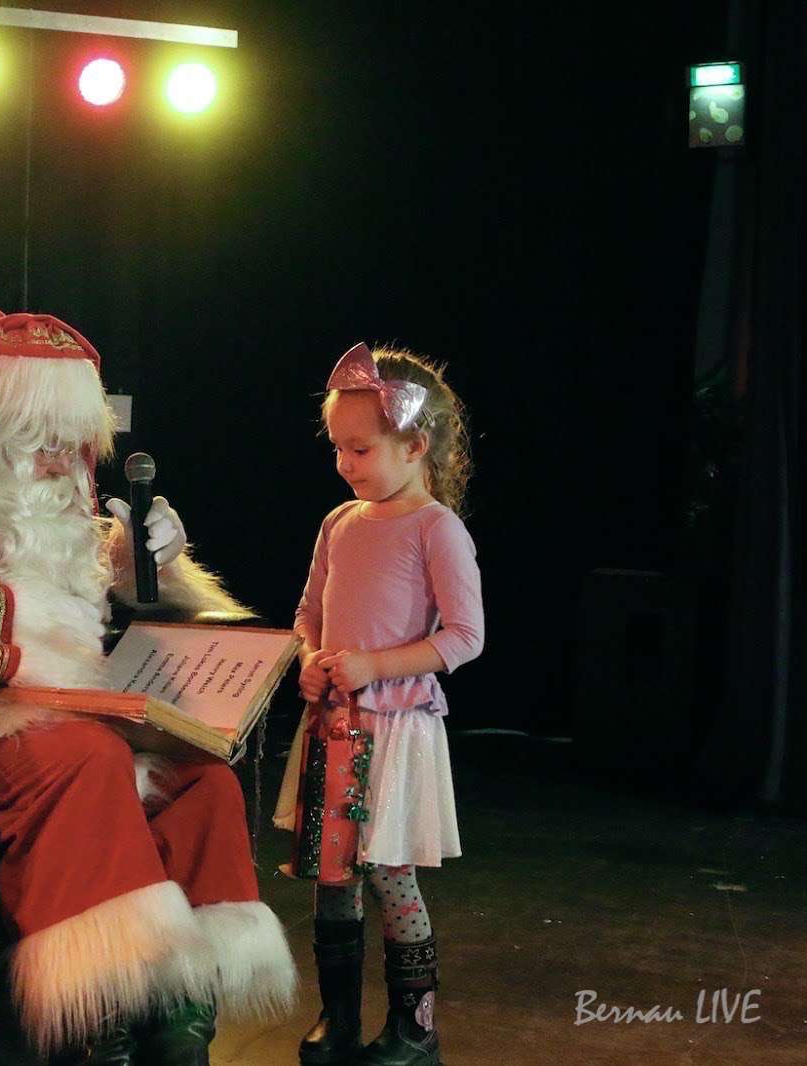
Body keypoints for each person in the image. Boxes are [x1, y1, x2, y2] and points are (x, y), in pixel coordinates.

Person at [0, 301, 296, 1065]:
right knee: (83, 760)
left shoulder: (46, 511)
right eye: (43, 443)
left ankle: (177, 1032)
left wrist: (149, 573)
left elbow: (89, 627)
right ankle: (95, 1032)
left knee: (204, 783)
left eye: (74, 447)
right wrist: (30, 614)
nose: (61, 466)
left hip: (67, 721)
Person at [273, 343, 484, 1066]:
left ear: (415, 445)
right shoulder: (339, 523)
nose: (345, 464)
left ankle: (415, 1028)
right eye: (338, 448)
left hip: (394, 729)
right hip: (332, 725)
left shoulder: (436, 530)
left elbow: (464, 637)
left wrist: (373, 666)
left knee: (388, 873)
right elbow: (308, 613)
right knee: (331, 874)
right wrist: (309, 660)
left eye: (360, 448)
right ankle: (337, 1019)